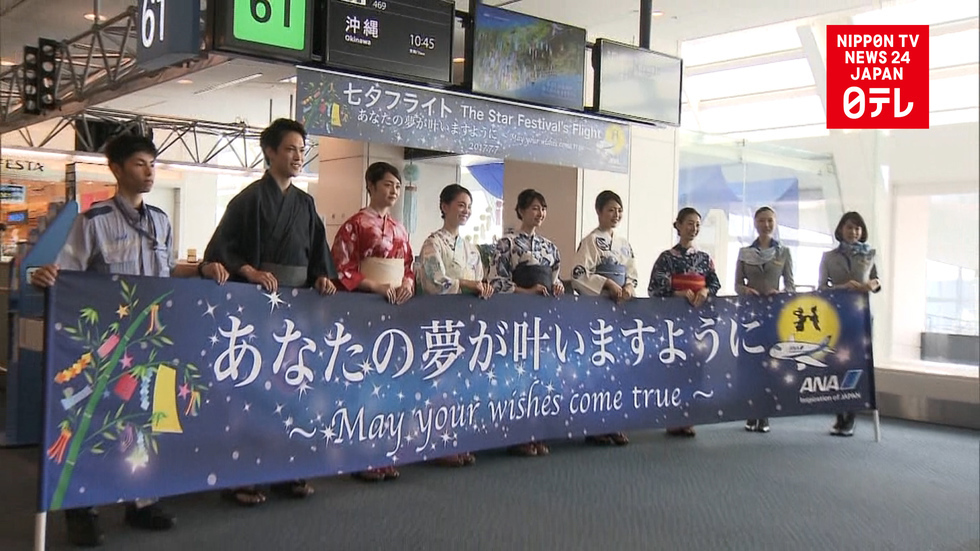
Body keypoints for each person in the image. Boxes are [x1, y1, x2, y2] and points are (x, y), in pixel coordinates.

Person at [30, 134, 229, 547]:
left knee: (143, 421)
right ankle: (82, 509)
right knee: (96, 421)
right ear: (117, 169)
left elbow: (167, 269)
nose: (149, 171)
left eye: (152, 164)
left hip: (151, 340)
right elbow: (67, 272)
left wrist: (203, 270)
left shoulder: (161, 220)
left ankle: (141, 501)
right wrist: (44, 277)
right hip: (108, 342)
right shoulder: (94, 220)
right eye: (139, 163)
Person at [202, 118, 336, 506]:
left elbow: (318, 258)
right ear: (270, 152)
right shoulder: (248, 200)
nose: (298, 156)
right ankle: (242, 476)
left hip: (294, 311)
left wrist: (323, 278)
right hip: (257, 307)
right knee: (252, 391)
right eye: (290, 148)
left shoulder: (305, 203)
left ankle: (287, 468)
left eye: (301, 149)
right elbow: (221, 250)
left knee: (293, 388)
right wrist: (250, 272)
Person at [332, 161, 415, 481]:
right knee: (363, 379)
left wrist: (407, 283)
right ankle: (360, 456)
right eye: (386, 185)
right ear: (370, 186)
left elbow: (408, 265)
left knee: (390, 378)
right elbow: (342, 266)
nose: (393, 191)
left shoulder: (400, 228)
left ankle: (384, 450)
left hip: (394, 306)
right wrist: (375, 286)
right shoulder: (354, 224)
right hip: (365, 304)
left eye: (396, 186)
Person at [415, 184, 492, 467]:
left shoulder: (471, 248)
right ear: (444, 206)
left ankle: (460, 438)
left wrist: (481, 288)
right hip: (441, 324)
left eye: (468, 205)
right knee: (441, 382)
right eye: (460, 204)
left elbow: (480, 278)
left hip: (467, 323)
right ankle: (439, 442)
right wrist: (469, 284)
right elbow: (434, 282)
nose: (466, 210)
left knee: (463, 382)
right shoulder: (432, 243)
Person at [489, 188, 564, 456]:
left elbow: (555, 278)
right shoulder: (506, 243)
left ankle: (536, 432)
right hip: (516, 317)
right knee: (517, 373)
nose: (539, 213)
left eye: (542, 208)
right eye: (533, 207)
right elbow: (496, 281)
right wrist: (526, 292)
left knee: (540, 373)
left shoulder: (550, 247)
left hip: (543, 318)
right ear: (520, 210)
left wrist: (557, 289)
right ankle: (516, 434)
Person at [570, 190, 637, 446]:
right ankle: (594, 425)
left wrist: (629, 287)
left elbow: (632, 272)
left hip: (618, 310)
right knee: (596, 368)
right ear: (598, 212)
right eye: (610, 210)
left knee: (617, 369)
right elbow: (578, 274)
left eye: (619, 210)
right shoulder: (590, 241)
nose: (615, 215)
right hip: (596, 312)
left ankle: (614, 423)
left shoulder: (624, 244)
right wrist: (607, 283)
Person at [648, 207, 721, 438]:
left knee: (694, 367)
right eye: (689, 223)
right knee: (673, 368)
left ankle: (688, 417)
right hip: (673, 321)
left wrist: (706, 290)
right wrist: (678, 293)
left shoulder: (705, 259)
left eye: (697, 224)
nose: (694, 228)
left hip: (697, 320)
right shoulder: (666, 258)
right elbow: (655, 288)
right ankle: (672, 418)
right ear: (678, 225)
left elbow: (715, 284)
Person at [818, 211, 881, 437]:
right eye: (849, 227)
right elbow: (821, 288)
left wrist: (868, 286)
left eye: (857, 228)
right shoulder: (829, 257)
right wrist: (841, 288)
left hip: (860, 316)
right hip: (835, 315)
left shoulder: (869, 254)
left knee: (856, 365)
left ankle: (851, 416)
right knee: (836, 364)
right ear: (840, 230)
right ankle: (839, 415)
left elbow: (877, 280)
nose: (853, 232)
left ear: (862, 232)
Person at [734, 206, 795, 434]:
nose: (766, 225)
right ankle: (750, 412)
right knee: (750, 364)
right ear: (755, 223)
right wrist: (746, 290)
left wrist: (781, 294)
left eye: (770, 220)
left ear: (775, 223)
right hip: (750, 314)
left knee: (770, 364)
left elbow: (790, 284)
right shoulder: (744, 252)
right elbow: (737, 284)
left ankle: (765, 413)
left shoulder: (784, 253)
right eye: (761, 220)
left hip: (773, 314)